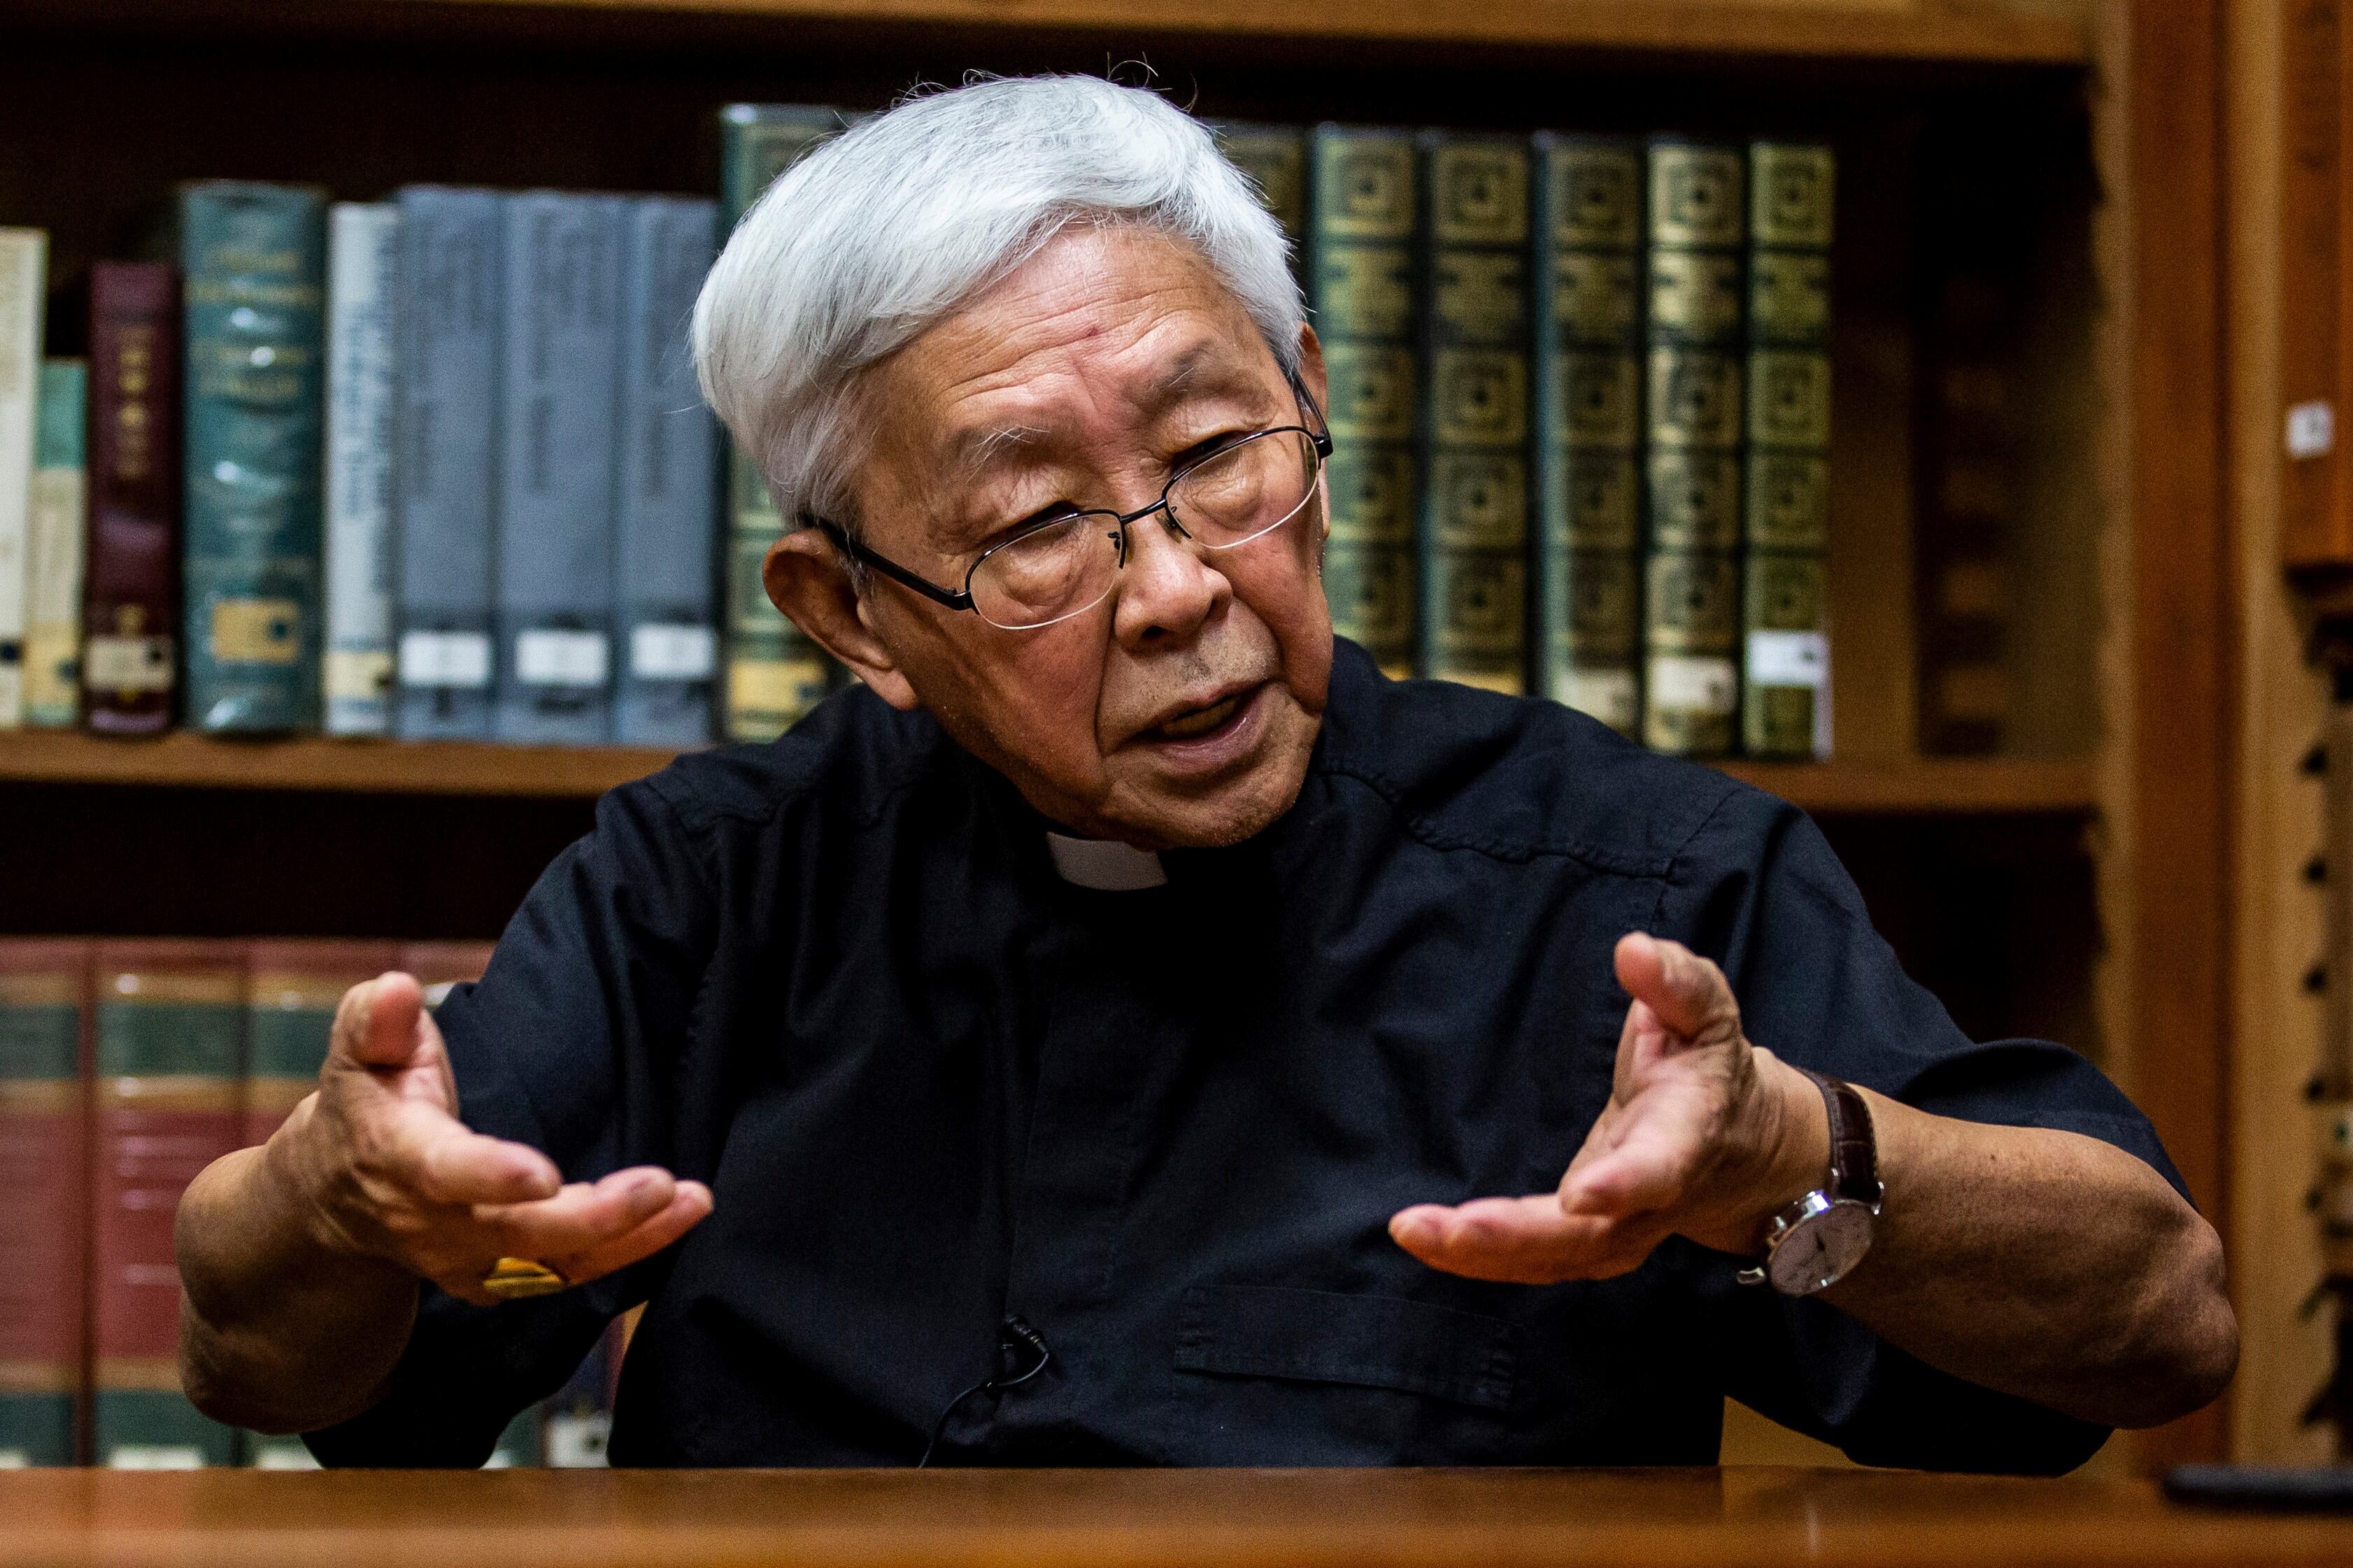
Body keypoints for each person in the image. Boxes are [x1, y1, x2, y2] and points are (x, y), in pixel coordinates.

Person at [175, 76, 2234, 1472]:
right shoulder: (708, 888)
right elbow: (270, 1360)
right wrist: (328, 1195)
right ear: (854, 614)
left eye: (1216, 455)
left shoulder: (1616, 879)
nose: (1172, 587)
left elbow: (2158, 1314)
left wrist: (1793, 1144)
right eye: (1033, 524)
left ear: (1312, 402)